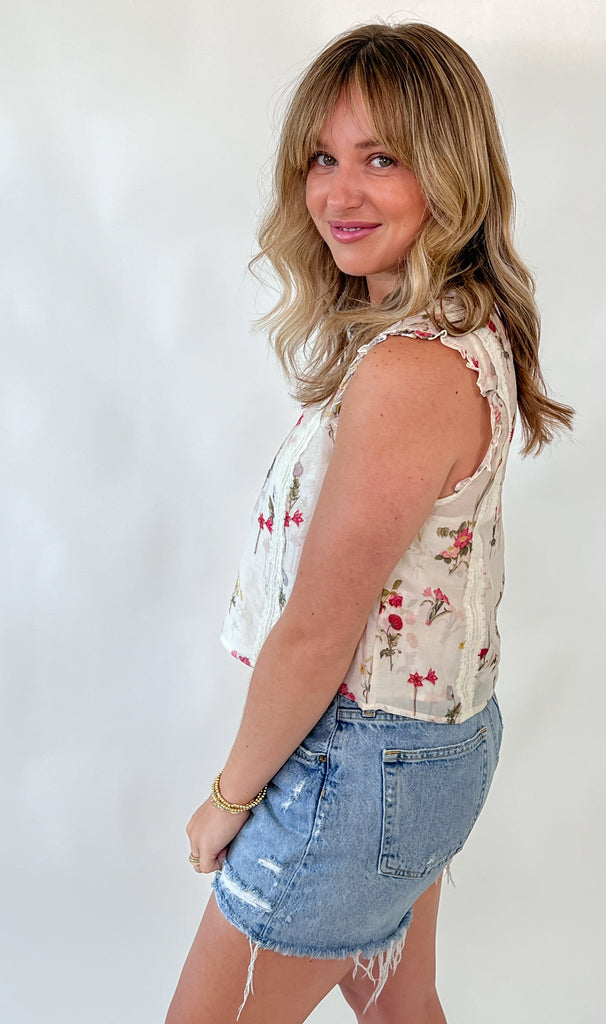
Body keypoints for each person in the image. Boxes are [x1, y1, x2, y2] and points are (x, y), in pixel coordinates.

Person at [166, 21, 573, 1024]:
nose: (339, 194)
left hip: (352, 768)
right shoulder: (462, 334)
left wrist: (229, 798)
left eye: (380, 160)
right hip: (426, 753)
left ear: (448, 171)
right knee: (403, 1008)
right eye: (323, 159)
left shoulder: (410, 370)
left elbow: (318, 630)